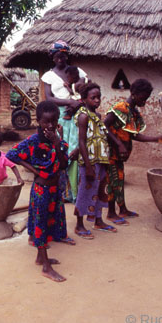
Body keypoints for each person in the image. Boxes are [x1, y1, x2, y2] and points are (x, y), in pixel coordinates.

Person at [6, 101, 70, 282]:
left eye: (53, 121)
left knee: (50, 222)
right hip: (41, 190)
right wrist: (35, 171)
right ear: (38, 121)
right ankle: (46, 267)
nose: (50, 126)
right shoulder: (33, 141)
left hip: (55, 190)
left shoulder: (59, 140)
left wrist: (57, 143)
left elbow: (64, 164)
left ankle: (41, 257)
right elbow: (11, 155)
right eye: (46, 122)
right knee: (40, 225)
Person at [104, 79, 162, 225]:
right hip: (111, 152)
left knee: (119, 179)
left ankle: (123, 209)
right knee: (112, 181)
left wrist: (156, 138)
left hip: (120, 154)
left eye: (147, 98)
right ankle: (111, 213)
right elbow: (104, 126)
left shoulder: (134, 112)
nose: (145, 100)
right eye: (143, 97)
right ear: (134, 93)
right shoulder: (120, 108)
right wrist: (119, 144)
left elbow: (134, 135)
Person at [40, 40, 87, 203]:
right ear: (52, 57)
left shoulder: (78, 72)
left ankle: (76, 192)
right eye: (57, 56)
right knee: (60, 149)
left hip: (77, 113)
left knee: (76, 150)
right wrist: (69, 103)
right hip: (60, 116)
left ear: (67, 56)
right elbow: (49, 97)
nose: (60, 59)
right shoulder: (48, 76)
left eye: (63, 56)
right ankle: (63, 192)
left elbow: (84, 91)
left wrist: (76, 104)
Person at [73, 82, 114, 239]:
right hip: (89, 162)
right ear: (84, 99)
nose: (97, 100)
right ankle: (79, 225)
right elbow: (82, 142)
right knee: (85, 191)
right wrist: (88, 166)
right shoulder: (83, 116)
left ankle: (98, 220)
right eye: (93, 98)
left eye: (99, 97)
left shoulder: (96, 116)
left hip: (101, 160)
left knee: (100, 190)